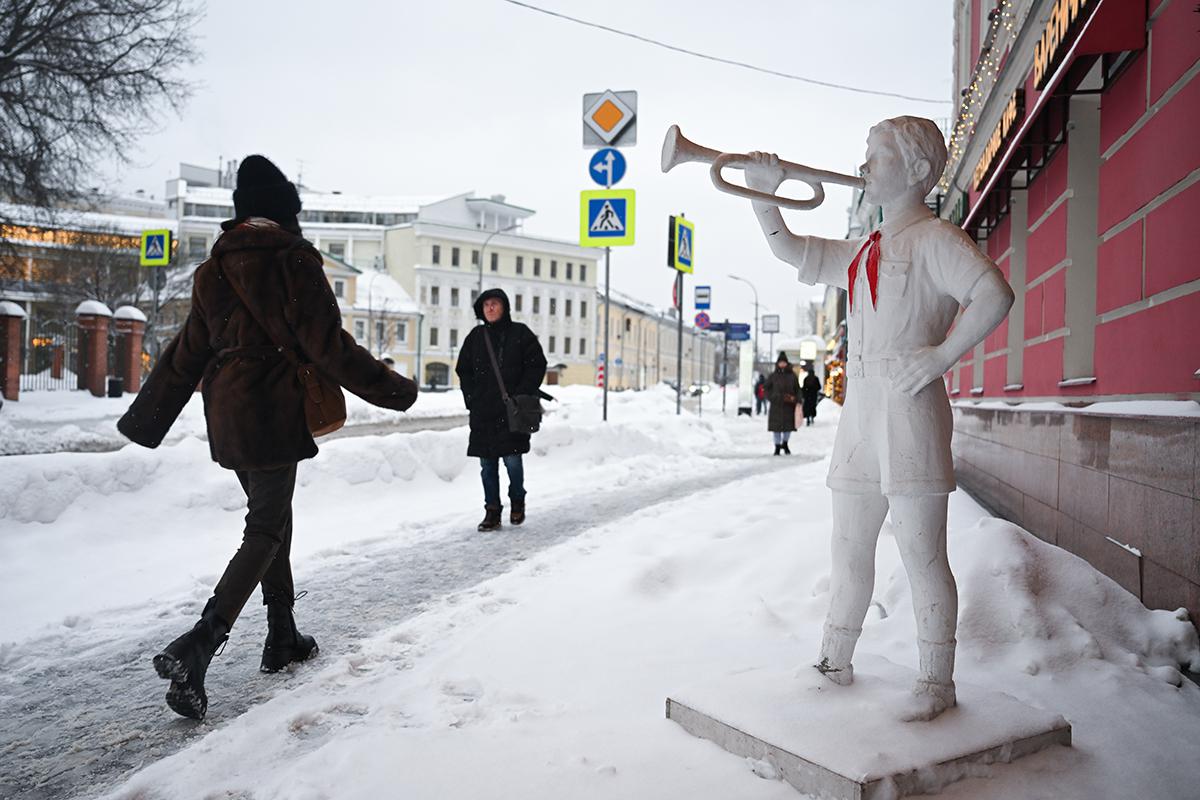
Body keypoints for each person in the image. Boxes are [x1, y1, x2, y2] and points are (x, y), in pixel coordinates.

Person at [117, 155, 419, 720]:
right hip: (274, 412)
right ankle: (200, 644)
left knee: (273, 518)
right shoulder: (293, 261)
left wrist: (146, 418)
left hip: (227, 415)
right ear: (284, 214)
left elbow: (186, 354)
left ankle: (282, 634)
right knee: (265, 528)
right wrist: (394, 389)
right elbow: (327, 345)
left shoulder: (213, 270)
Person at [744, 117, 1013, 720]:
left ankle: (936, 681)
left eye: (876, 154)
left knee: (922, 552)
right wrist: (764, 193)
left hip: (909, 407)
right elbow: (790, 250)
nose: (863, 165)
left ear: (917, 170)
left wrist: (941, 355)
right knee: (848, 545)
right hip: (861, 409)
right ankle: (834, 660)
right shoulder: (865, 248)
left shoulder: (936, 239)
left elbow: (994, 294)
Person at [455, 288, 547, 531]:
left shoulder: (520, 333)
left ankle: (517, 500)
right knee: (487, 466)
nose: (490, 308)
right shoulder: (476, 337)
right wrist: (472, 398)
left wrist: (522, 393)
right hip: (483, 412)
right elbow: (463, 369)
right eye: (486, 305)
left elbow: (537, 364)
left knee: (513, 461)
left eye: (495, 304)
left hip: (511, 411)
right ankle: (492, 511)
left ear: (504, 307)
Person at [764, 352, 800, 455]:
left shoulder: (792, 376)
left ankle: (785, 443)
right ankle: (777, 447)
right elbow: (766, 388)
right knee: (776, 429)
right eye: (780, 362)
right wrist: (772, 397)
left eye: (784, 362)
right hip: (776, 406)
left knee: (788, 428)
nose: (782, 364)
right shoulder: (773, 376)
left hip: (789, 406)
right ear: (777, 363)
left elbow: (797, 389)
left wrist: (797, 399)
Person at [801, 361, 822, 427]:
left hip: (807, 396)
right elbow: (819, 387)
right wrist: (814, 390)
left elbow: (803, 388)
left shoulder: (806, 379)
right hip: (813, 395)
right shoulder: (816, 379)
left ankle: (808, 419)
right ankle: (812, 417)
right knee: (812, 407)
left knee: (807, 407)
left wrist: (804, 394)